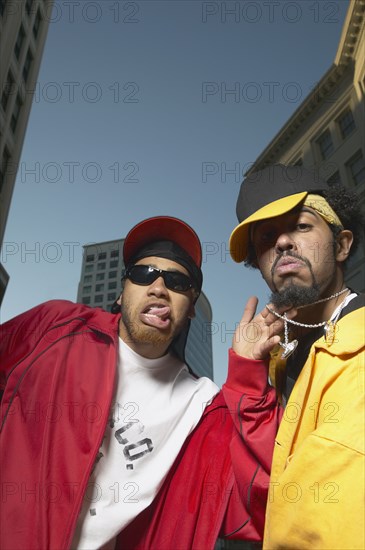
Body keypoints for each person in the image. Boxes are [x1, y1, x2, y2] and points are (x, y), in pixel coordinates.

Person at [1, 215, 287, 550]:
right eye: (143, 273)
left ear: (191, 308)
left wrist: (249, 376)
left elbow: (264, 500)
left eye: (178, 282)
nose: (158, 288)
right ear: (122, 293)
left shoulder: (203, 406)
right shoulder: (57, 327)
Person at [229, 163, 365, 549]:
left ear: (341, 245)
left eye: (301, 226)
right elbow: (265, 504)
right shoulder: (277, 362)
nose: (283, 243)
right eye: (267, 238)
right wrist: (246, 375)